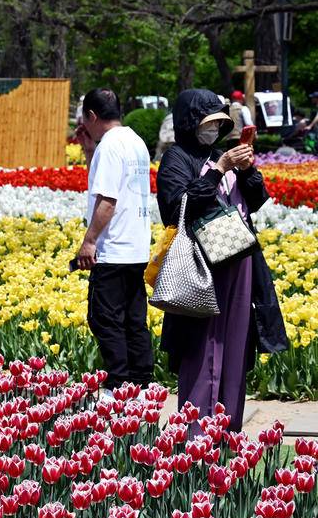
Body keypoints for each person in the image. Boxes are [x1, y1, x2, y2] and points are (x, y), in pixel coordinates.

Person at [157, 88, 288, 433]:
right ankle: (198, 432)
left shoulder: (220, 154)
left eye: (219, 123)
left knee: (234, 347)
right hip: (202, 266)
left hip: (239, 260)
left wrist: (245, 170)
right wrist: (219, 169)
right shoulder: (177, 158)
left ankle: (227, 430)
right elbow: (177, 207)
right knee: (203, 348)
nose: (213, 129)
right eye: (208, 122)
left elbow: (256, 199)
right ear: (190, 122)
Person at [73, 88, 154, 396]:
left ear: (92, 116)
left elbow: (108, 199)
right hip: (136, 245)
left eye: (85, 118)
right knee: (134, 318)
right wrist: (89, 150)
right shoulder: (135, 141)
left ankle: (118, 383)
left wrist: (89, 241)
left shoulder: (110, 146)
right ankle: (142, 382)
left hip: (113, 247)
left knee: (104, 318)